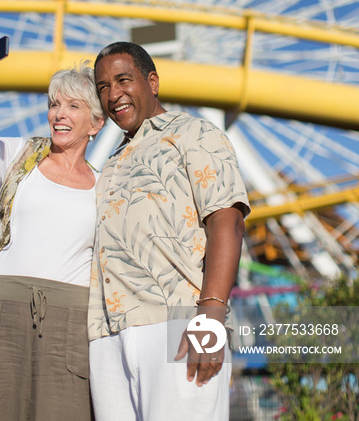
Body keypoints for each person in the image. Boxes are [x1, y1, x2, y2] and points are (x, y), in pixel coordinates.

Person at [0, 40, 105, 421]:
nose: (58, 114)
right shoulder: (20, 156)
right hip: (2, 309)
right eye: (53, 104)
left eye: (73, 106)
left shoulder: (105, 186)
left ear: (97, 123)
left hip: (70, 318)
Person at [88, 41, 250, 421]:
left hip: (176, 323)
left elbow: (228, 220)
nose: (113, 95)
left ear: (153, 82)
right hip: (106, 336)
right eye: (102, 87)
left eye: (123, 80)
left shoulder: (194, 133)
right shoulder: (108, 166)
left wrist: (210, 317)